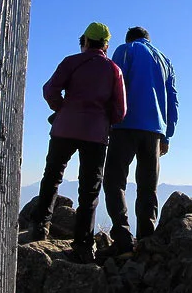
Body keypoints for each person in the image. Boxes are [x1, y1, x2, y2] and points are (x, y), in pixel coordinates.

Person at [29, 22, 126, 263]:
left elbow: (50, 90)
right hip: (96, 134)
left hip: (65, 128)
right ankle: (83, 245)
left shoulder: (71, 62)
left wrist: (62, 109)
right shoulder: (113, 70)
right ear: (106, 45)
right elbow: (120, 110)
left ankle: (41, 226)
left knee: (52, 175)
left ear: (86, 41)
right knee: (89, 190)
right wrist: (104, 119)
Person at [103, 26, 179, 254]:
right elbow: (172, 99)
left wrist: (108, 120)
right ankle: (146, 240)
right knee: (148, 187)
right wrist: (167, 134)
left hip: (125, 125)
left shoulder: (126, 50)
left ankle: (123, 237)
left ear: (130, 38)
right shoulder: (165, 60)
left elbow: (114, 85)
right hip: (154, 131)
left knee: (115, 181)